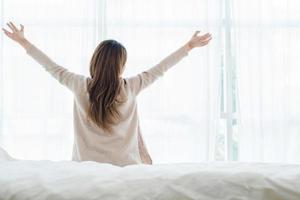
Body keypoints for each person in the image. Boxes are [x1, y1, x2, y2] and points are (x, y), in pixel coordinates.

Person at [2, 22, 212, 166]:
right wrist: (189, 46)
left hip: (86, 168)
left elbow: (50, 66)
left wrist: (23, 41)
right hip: (126, 168)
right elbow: (161, 68)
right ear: (121, 65)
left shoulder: (78, 85)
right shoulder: (132, 86)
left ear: (95, 62)